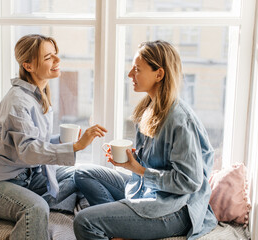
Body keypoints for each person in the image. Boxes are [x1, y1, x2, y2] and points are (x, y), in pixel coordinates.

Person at [73, 40, 217, 240]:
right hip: (147, 190)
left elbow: (189, 182)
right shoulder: (149, 107)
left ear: (159, 74)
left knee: (84, 221)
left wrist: (139, 170)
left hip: (174, 208)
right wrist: (132, 161)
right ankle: (120, 226)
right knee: (82, 173)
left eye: (137, 69)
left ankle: (117, 226)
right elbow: (155, 163)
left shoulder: (179, 120)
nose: (130, 75)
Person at [0, 34, 107, 240]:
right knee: (36, 208)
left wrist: (64, 142)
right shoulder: (18, 102)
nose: (57, 60)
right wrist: (76, 146)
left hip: (28, 178)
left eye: (56, 55)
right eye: (48, 57)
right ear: (28, 65)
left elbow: (34, 143)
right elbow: (28, 151)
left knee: (83, 175)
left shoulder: (39, 94)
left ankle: (112, 225)